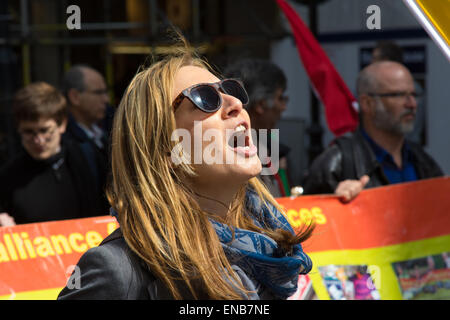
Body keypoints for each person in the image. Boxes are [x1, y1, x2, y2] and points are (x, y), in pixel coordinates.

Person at [58, 38, 314, 300]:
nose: (236, 104)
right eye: (205, 98)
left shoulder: (277, 254)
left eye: (232, 90)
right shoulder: (117, 271)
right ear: (165, 147)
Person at [302, 61, 443, 201]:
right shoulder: (336, 163)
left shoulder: (422, 161)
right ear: (367, 103)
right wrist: (335, 203)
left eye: (414, 94)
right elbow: (306, 219)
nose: (412, 104)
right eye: (398, 95)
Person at [0, 82, 107, 226]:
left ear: (62, 124)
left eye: (45, 130)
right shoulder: (9, 176)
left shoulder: (89, 159)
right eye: (29, 132)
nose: (38, 140)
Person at [224, 58, 291, 197]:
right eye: (280, 98)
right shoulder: (226, 158)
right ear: (261, 105)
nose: (283, 107)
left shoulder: (274, 152)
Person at [61, 65, 111, 194]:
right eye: (98, 93)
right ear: (74, 97)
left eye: (106, 92)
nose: (106, 99)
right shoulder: (63, 142)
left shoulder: (108, 129)